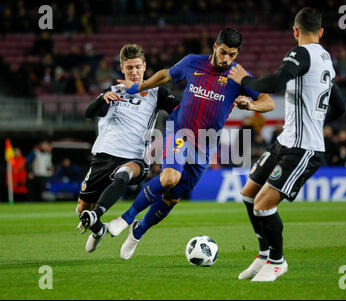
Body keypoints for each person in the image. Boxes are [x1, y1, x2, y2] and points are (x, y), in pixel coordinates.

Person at [100, 27, 274, 260]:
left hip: (206, 144)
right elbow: (165, 75)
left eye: (233, 55)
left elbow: (268, 101)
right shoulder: (193, 62)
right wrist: (138, 88)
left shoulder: (238, 76)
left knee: (172, 197)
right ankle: (125, 218)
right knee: (170, 177)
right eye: (223, 53)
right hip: (179, 131)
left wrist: (250, 105)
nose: (227, 59)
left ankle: (137, 232)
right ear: (215, 46)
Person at [228, 7, 346, 282]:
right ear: (321, 32)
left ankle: (278, 262)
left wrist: (244, 79)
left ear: (295, 31)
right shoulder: (326, 60)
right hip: (285, 141)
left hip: (303, 148)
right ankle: (263, 254)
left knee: (262, 205)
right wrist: (315, 119)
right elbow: (339, 107)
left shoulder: (301, 53)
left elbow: (277, 81)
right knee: (248, 193)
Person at [76, 43, 179, 253]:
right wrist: (101, 99)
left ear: (145, 67)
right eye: (130, 68)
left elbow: (180, 108)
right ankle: (98, 230)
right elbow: (89, 112)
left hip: (135, 158)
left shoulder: (156, 93)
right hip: (103, 156)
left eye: (138, 67)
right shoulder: (113, 91)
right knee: (82, 209)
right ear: (122, 68)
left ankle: (97, 215)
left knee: (123, 175)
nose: (134, 72)